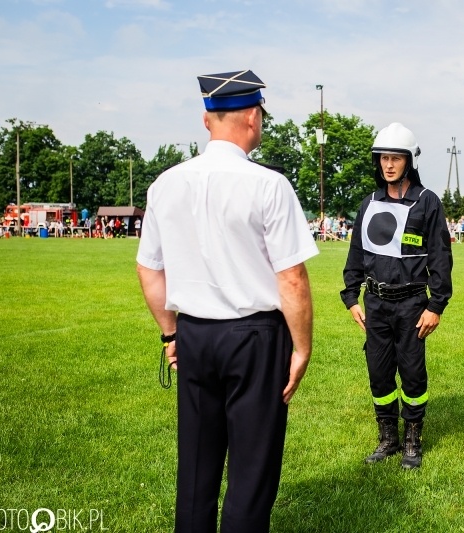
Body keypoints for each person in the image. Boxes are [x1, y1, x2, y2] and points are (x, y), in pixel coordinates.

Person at [136, 68, 318, 532]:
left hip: (195, 333)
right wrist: (301, 349)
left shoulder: (165, 184)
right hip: (255, 336)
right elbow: (292, 278)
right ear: (254, 117)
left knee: (196, 467)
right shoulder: (268, 185)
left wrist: (170, 332)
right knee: (251, 473)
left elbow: (149, 269)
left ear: (206, 120)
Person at [341, 122, 453, 469]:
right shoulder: (369, 202)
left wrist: (436, 305)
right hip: (375, 303)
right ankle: (388, 439)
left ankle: (412, 442)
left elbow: (440, 256)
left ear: (409, 161)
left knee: (413, 373)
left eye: (396, 158)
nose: (388, 165)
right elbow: (357, 252)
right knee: (379, 373)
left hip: (411, 304)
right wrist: (351, 296)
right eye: (383, 158)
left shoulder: (427, 202)